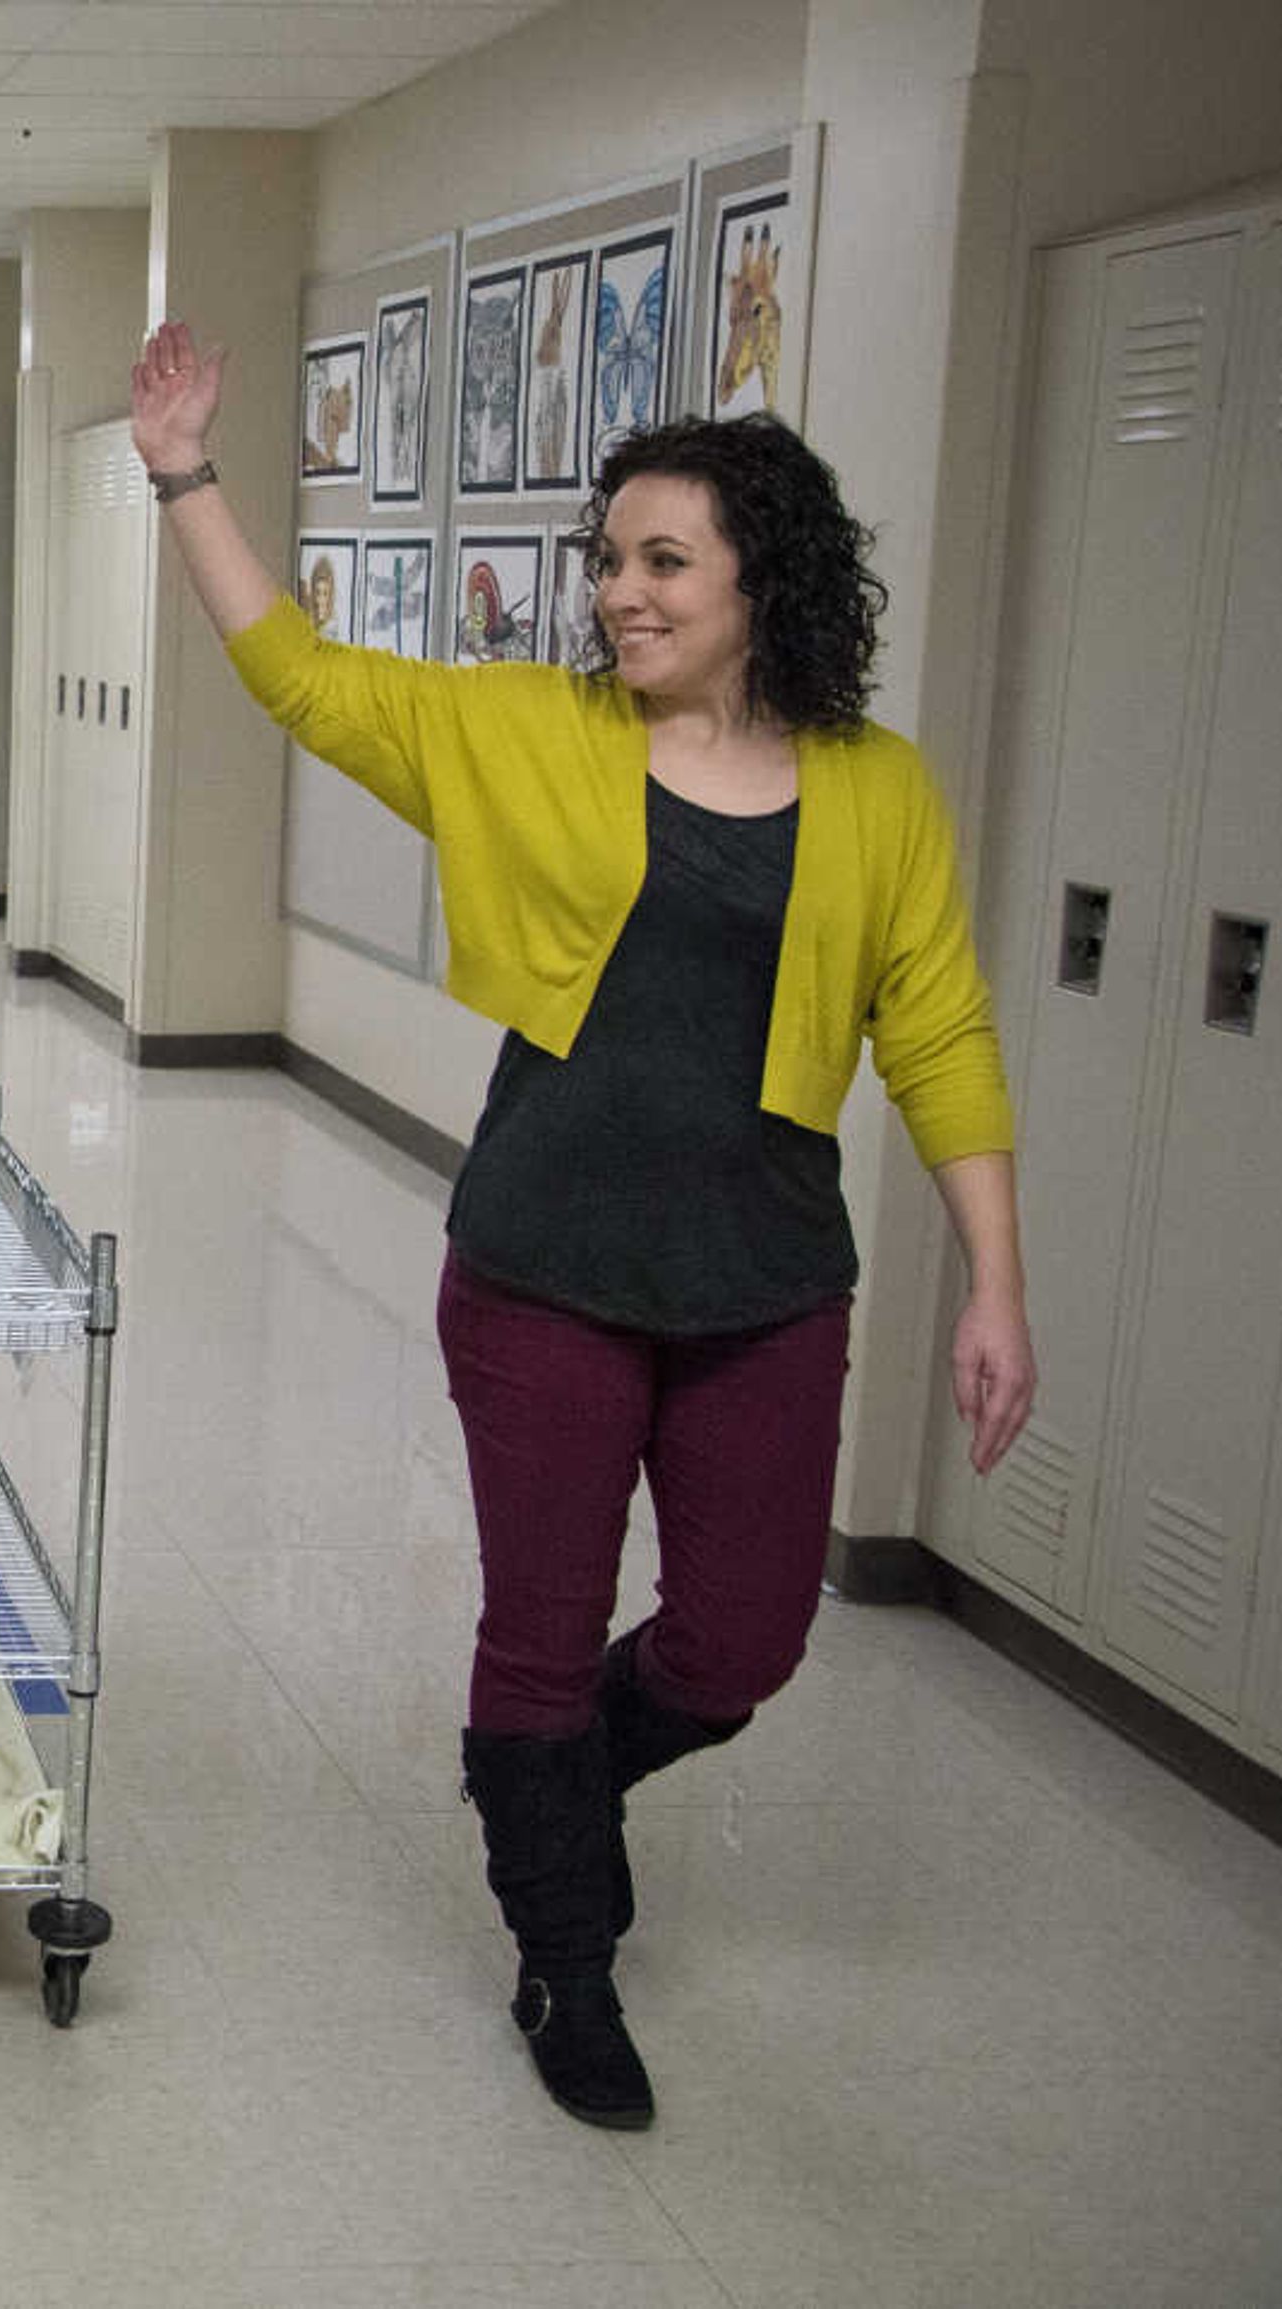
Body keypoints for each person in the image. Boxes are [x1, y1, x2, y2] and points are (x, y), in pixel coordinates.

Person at [127, 322, 1035, 2130]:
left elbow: (934, 1024)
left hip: (767, 1279)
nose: (621, 592)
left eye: (662, 560)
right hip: (544, 1261)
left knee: (742, 1637)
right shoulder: (527, 735)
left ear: (759, 577)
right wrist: (184, 476)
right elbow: (304, 679)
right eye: (608, 560)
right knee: (541, 1627)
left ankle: (544, 1779)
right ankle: (567, 1949)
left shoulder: (878, 784)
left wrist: (996, 1274)